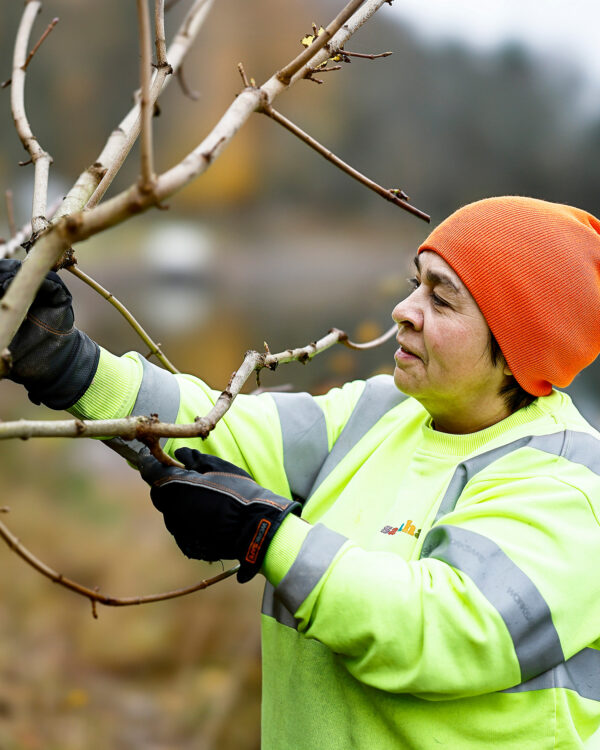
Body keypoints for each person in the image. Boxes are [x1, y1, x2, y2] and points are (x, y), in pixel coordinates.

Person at [1, 195, 600, 749]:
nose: (403, 310)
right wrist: (69, 364)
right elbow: (215, 431)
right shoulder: (379, 413)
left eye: (441, 299)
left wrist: (266, 536)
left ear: (519, 341)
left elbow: (443, 633)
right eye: (417, 283)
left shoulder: (570, 485)